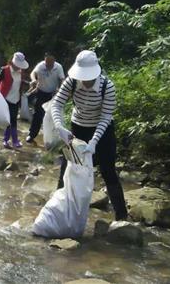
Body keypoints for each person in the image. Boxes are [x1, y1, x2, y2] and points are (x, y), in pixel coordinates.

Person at [51, 50, 128, 221]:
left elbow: (106, 117)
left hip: (102, 130)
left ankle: (122, 217)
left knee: (108, 170)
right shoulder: (71, 82)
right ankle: (59, 210)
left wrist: (94, 141)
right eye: (82, 77)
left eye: (88, 78)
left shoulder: (107, 87)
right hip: (77, 128)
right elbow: (56, 104)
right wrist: (60, 127)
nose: (85, 82)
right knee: (68, 167)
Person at [25, 53, 65, 144]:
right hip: (41, 92)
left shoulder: (58, 67)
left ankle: (52, 140)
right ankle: (31, 135)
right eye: (47, 63)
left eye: (50, 63)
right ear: (45, 60)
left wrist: (61, 88)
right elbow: (33, 73)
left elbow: (62, 79)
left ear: (54, 61)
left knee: (51, 116)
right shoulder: (41, 65)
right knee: (37, 115)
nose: (48, 65)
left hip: (52, 95)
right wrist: (34, 80)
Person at [0, 52, 29, 149]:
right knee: (9, 120)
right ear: (12, 63)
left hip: (16, 99)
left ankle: (13, 140)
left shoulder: (21, 72)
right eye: (17, 65)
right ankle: (7, 140)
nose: (19, 67)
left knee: (13, 120)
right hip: (5, 99)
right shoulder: (4, 70)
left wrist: (29, 83)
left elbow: (20, 82)